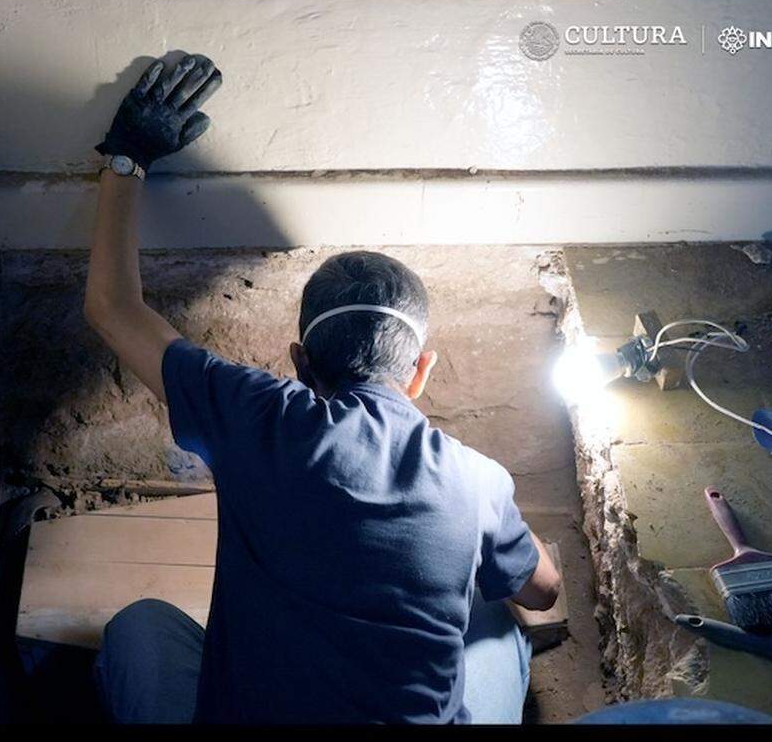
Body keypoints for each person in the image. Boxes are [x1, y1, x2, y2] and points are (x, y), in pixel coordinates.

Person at [84, 52, 561, 724]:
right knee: (497, 624)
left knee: (138, 629)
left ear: (299, 364)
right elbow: (543, 592)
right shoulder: (477, 482)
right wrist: (486, 534)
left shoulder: (259, 418)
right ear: (421, 370)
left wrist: (127, 154)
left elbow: (112, 309)